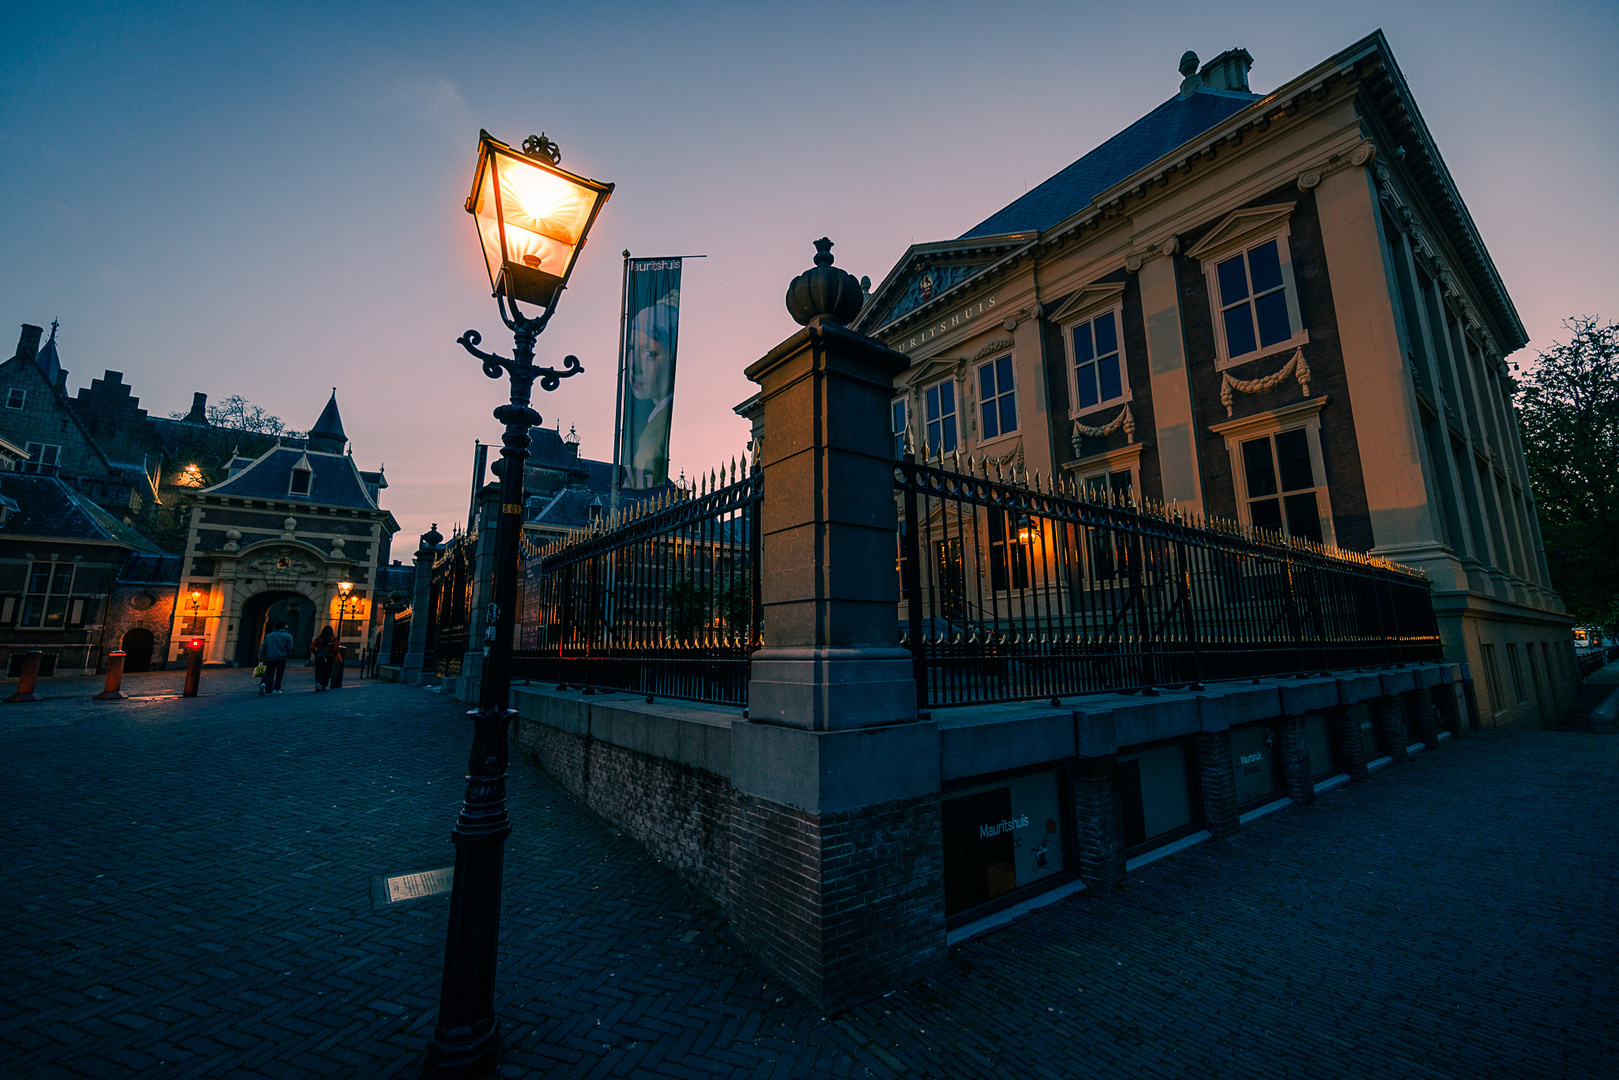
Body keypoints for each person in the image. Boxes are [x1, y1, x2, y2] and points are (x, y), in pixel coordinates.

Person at [624, 290, 679, 488]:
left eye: (649, 353)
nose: (635, 366)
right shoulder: (652, 419)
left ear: (672, 359)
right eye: (632, 348)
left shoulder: (656, 428)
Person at [259, 621, 294, 696]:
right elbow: (290, 647)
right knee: (279, 673)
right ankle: (276, 689)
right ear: (283, 627)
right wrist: (288, 655)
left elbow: (263, 647)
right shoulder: (288, 636)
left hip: (270, 657)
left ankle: (264, 684)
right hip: (282, 657)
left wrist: (261, 656)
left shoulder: (269, 636)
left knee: (268, 672)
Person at [312, 625, 337, 691]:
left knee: (319, 670)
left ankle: (318, 684)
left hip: (320, 656)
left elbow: (312, 646)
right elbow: (336, 648)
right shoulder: (333, 639)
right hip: (329, 657)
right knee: (327, 671)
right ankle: (324, 685)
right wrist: (333, 654)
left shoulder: (319, 638)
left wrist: (316, 653)